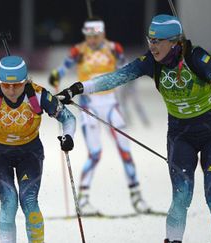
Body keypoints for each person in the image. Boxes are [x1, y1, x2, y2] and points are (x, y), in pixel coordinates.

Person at [56, 14, 211, 243]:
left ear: (174, 42)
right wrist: (77, 88)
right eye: (150, 40)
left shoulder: (196, 57)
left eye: (157, 41)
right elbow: (116, 78)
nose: (152, 46)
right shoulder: (150, 62)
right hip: (180, 135)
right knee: (181, 197)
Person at [0, 55, 76, 243]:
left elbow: (68, 119)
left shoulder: (37, 95)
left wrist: (68, 137)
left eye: (17, 85)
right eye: (5, 85)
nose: (11, 90)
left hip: (29, 153)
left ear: (26, 81)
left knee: (29, 202)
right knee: (10, 202)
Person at [48, 17, 151, 215]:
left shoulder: (114, 48)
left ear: (102, 34)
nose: (92, 40)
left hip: (111, 104)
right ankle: (84, 200)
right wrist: (56, 75)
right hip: (89, 107)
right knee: (95, 154)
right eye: (88, 36)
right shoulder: (79, 50)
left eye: (95, 36)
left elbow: (128, 68)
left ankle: (137, 196)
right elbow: (62, 68)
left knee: (125, 150)